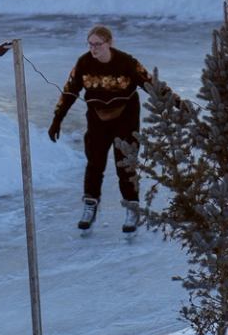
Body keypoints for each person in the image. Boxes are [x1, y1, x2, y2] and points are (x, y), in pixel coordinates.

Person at [48, 23, 152, 233]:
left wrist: (176, 104)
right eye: (90, 44)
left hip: (126, 117)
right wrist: (57, 119)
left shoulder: (127, 62)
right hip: (97, 118)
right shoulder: (84, 63)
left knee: (126, 165)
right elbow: (69, 91)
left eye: (98, 44)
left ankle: (132, 208)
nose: (94, 49)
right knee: (94, 164)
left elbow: (151, 84)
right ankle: (90, 205)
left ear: (109, 43)